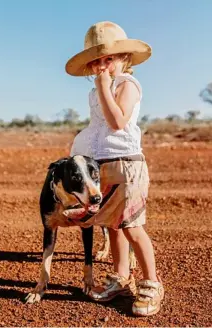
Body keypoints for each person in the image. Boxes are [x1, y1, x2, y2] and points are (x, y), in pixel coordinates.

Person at [65, 21, 164, 316]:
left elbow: (117, 122)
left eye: (109, 59)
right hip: (102, 164)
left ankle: (152, 283)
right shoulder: (96, 93)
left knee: (132, 226)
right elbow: (97, 129)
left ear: (124, 58)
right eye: (97, 61)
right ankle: (121, 277)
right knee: (112, 224)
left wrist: (104, 86)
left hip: (127, 165)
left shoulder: (127, 85)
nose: (103, 66)